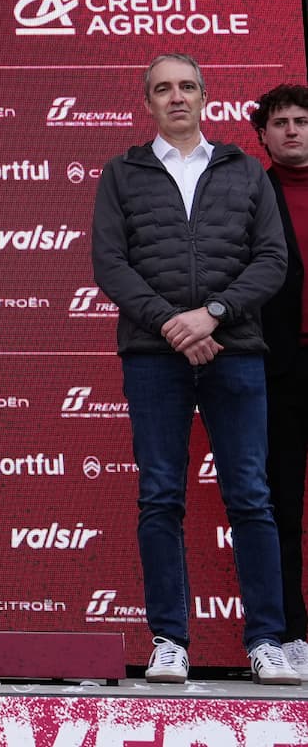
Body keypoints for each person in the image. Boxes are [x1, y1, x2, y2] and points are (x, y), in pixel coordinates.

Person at [91, 53, 298, 685]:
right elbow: (111, 264)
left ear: (205, 96)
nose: (175, 97)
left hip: (234, 351)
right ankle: (170, 640)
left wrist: (211, 314)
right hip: (156, 359)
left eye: (186, 87)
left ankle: (267, 640)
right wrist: (172, 326)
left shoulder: (243, 171)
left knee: (252, 497)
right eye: (163, 89)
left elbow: (271, 259)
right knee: (160, 496)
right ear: (147, 102)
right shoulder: (122, 173)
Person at [252, 83, 308, 678]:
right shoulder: (251, 189)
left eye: (301, 120)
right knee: (280, 507)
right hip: (278, 366)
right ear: (262, 134)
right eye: (281, 122)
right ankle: (293, 632)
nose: (292, 130)